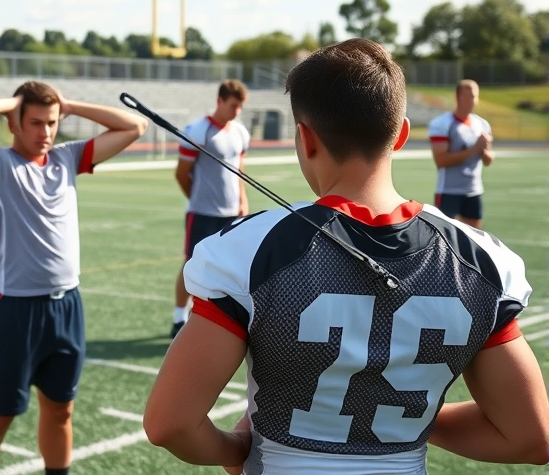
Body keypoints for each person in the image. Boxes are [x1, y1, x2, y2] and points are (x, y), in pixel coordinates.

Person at [143, 39, 548, 473]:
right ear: (401, 133)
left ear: (305, 136)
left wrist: (236, 449)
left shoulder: (252, 250)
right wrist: (401, 413)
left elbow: (170, 423)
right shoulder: (479, 261)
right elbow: (530, 437)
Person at [0, 81, 148, 475]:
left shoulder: (66, 159)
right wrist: (12, 104)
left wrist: (69, 104)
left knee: (61, 410)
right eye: (35, 123)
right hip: (16, 309)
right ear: (14, 124)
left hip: (67, 306)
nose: (46, 132)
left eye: (52, 122)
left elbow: (134, 127)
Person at [170, 79, 250, 338]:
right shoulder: (198, 130)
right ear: (219, 101)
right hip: (202, 214)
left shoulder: (240, 132)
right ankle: (178, 317)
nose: (236, 112)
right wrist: (197, 199)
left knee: (228, 268)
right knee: (191, 264)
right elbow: (182, 173)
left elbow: (240, 171)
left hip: (231, 214)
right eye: (233, 105)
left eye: (240, 107)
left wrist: (242, 201)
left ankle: (218, 318)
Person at [428, 79, 494, 228]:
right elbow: (441, 161)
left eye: (475, 96)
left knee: (474, 237)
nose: (473, 100)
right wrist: (474, 149)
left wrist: (485, 149)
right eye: (469, 96)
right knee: (442, 236)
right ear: (458, 97)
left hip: (474, 189)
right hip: (448, 191)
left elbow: (488, 160)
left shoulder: (482, 124)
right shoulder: (442, 123)